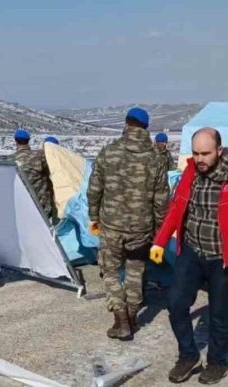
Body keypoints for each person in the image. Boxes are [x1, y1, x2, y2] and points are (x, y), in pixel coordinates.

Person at [150, 127, 228, 385]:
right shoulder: (191, 172)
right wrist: (160, 241)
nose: (199, 159)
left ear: (219, 151)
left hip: (223, 258)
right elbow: (176, 207)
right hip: (191, 251)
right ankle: (188, 356)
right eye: (195, 153)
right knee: (176, 303)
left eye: (205, 153)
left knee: (219, 313)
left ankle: (218, 361)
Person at [88, 107, 170, 341]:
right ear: (145, 127)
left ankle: (120, 320)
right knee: (135, 271)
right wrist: (160, 229)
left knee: (111, 272)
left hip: (111, 226)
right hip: (141, 228)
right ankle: (133, 318)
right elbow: (162, 198)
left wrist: (94, 216)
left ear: (126, 123)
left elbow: (95, 189)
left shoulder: (109, 152)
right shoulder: (156, 158)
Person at [13, 128, 57, 221]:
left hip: (20, 205)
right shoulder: (39, 156)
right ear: (28, 141)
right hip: (42, 205)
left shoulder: (10, 161)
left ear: (15, 141)